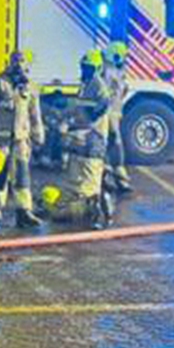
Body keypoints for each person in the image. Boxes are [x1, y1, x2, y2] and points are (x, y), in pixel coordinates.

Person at [0, 50, 45, 228]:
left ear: (28, 65)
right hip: (2, 140)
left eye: (22, 62)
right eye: (16, 61)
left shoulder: (30, 86)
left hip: (21, 139)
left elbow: (35, 113)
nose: (19, 65)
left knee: (22, 175)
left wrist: (38, 133)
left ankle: (23, 211)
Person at [63, 49, 114, 229]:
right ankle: (96, 214)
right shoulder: (86, 84)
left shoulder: (98, 84)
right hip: (86, 136)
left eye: (88, 68)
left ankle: (99, 218)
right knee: (87, 179)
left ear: (97, 68)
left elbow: (104, 104)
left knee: (92, 181)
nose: (84, 70)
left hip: (94, 138)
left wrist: (90, 119)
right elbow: (80, 107)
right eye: (83, 67)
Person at [103, 40, 133, 194]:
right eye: (123, 56)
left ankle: (115, 177)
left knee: (111, 143)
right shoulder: (107, 72)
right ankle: (116, 177)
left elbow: (122, 91)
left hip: (115, 112)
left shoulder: (118, 70)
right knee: (114, 142)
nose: (125, 59)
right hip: (107, 113)